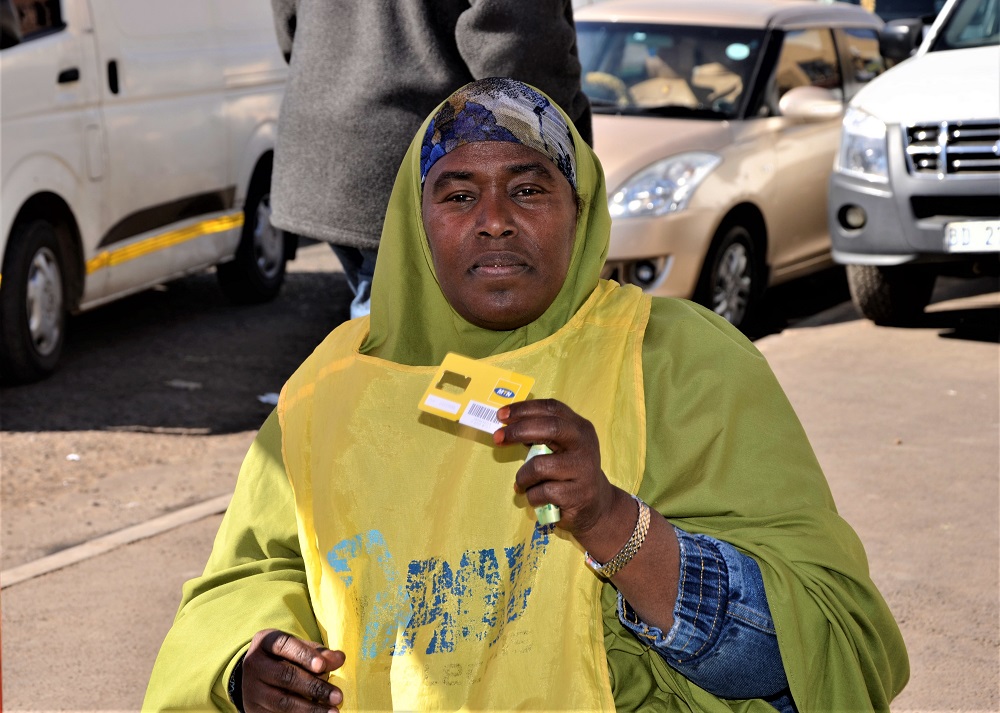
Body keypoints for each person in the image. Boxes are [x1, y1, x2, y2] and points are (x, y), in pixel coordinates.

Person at [143, 78, 908, 712]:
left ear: (581, 212)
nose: (496, 222)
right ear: (415, 224)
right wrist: (248, 671)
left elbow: (815, 651)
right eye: (459, 194)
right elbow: (252, 576)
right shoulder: (332, 385)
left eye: (529, 187)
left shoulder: (678, 359)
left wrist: (617, 525)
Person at [268, 0, 593, 320]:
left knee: (387, 316)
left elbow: (289, 21)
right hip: (418, 151)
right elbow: (515, 35)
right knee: (416, 335)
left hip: (327, 141)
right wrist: (554, 143)